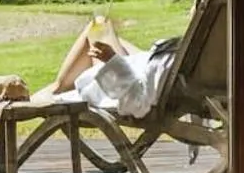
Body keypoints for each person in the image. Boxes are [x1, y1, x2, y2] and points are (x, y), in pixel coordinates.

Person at [43, 14, 179, 119]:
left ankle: (48, 95)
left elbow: (138, 104)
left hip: (124, 83)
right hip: (142, 65)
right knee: (102, 25)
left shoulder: (171, 61)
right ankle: (53, 90)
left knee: (98, 25)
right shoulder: (188, 52)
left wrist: (112, 61)